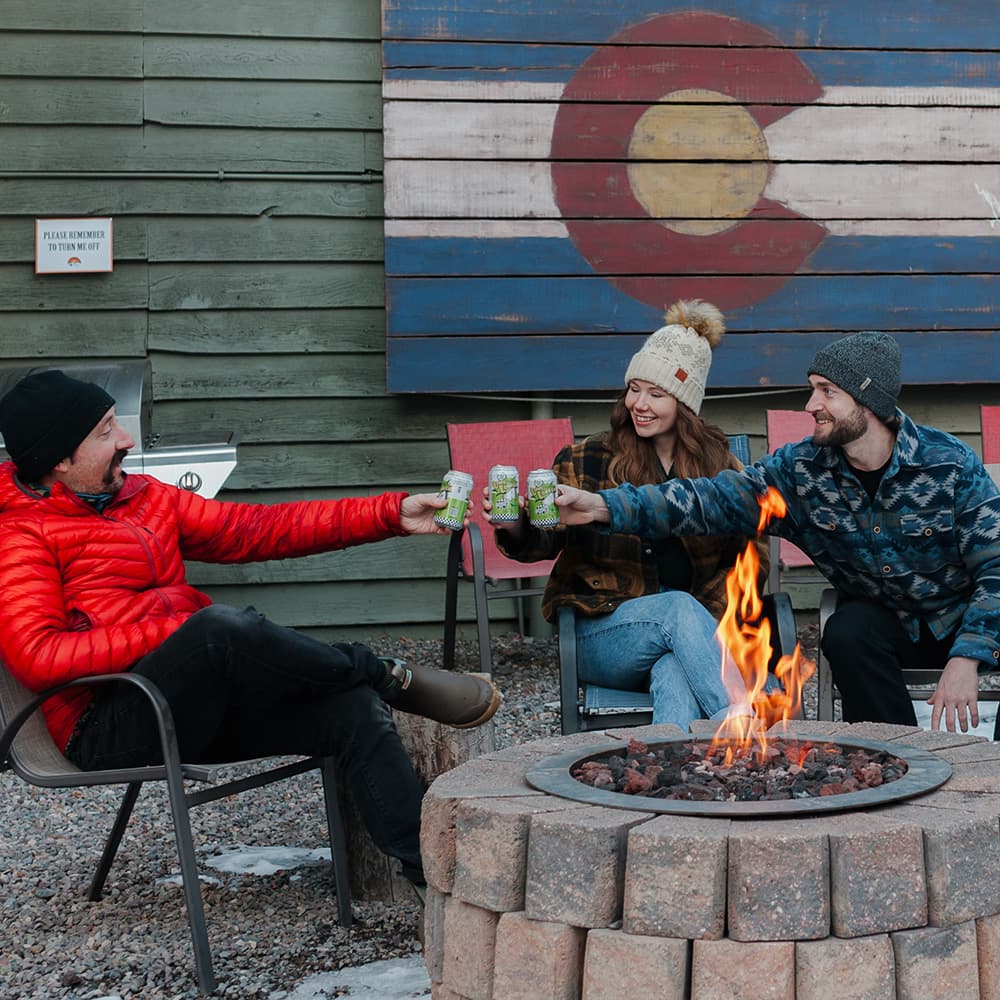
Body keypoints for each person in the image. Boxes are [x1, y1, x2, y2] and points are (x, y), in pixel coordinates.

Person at [0, 369, 501, 889]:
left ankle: (442, 879)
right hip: (110, 723)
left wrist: (390, 514)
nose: (125, 439)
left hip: (193, 701)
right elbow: (40, 657)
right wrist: (176, 631)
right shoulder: (19, 535)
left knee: (348, 707)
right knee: (216, 629)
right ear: (59, 459)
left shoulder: (143, 498)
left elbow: (255, 530)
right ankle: (379, 671)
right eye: (105, 431)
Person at [554, 330, 1000, 734]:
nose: (810, 405)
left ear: (869, 404)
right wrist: (601, 505)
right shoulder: (802, 472)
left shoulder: (950, 464)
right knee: (846, 632)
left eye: (827, 392)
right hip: (886, 622)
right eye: (812, 390)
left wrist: (968, 655)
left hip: (963, 614)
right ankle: (897, 755)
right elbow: (711, 499)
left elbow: (996, 567)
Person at [487, 300, 768, 728]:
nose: (639, 403)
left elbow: (754, 553)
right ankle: (749, 737)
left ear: (685, 404)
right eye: (634, 388)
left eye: (656, 394)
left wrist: (710, 625)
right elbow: (544, 540)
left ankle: (678, 779)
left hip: (694, 638)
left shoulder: (719, 466)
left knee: (674, 670)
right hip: (602, 632)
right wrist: (515, 525)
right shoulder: (589, 458)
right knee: (675, 608)